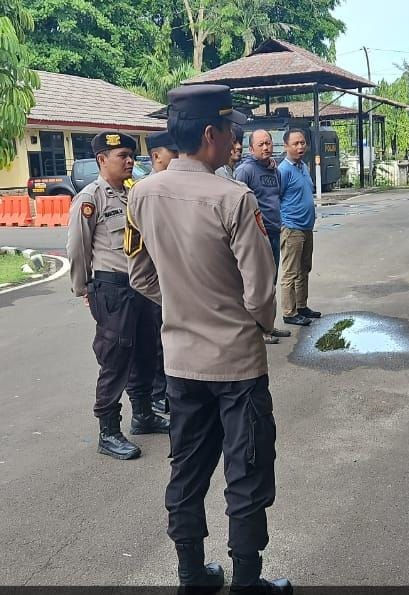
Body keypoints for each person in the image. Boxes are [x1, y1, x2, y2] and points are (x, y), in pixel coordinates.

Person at [126, 83, 290, 592]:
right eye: (230, 130)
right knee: (247, 472)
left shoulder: (142, 194)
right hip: (237, 364)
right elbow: (260, 291)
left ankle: (191, 574)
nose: (235, 141)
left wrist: (183, 304)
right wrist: (256, 324)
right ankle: (247, 581)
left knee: (187, 470)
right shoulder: (234, 198)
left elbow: (140, 275)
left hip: (181, 362)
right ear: (210, 134)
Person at [67, 130, 170, 460]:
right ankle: (108, 431)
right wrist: (83, 287)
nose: (129, 161)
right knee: (115, 359)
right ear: (102, 159)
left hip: (141, 287)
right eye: (122, 156)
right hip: (112, 288)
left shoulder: (132, 194)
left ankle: (143, 415)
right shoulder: (90, 199)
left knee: (146, 352)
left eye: (131, 155)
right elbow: (78, 247)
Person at [235, 129, 292, 346]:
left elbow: (277, 198)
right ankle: (257, 330)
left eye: (268, 143)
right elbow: (237, 204)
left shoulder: (275, 170)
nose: (266, 147)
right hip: (257, 237)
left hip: (275, 233)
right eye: (261, 144)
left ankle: (269, 325)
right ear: (251, 149)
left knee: (271, 282)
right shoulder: (245, 171)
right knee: (257, 285)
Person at [144, 130, 180, 414]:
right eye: (173, 153)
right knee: (156, 342)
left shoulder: (179, 189)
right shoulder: (144, 193)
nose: (179, 158)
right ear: (156, 156)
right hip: (155, 282)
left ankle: (172, 391)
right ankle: (158, 395)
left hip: (178, 280)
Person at [278, 129, 320, 327]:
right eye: (295, 143)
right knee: (291, 272)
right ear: (286, 146)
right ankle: (289, 312)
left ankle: (301, 306)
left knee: (304, 269)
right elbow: (277, 198)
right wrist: (283, 223)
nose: (300, 146)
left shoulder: (303, 166)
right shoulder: (283, 170)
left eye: (302, 143)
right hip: (291, 228)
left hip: (306, 227)